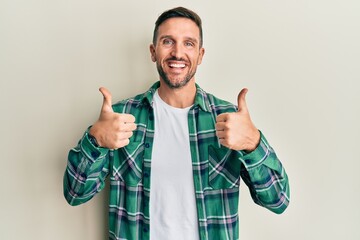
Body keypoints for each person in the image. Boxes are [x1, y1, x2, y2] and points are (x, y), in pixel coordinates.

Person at [63, 6, 290, 240]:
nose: (178, 53)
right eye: (168, 42)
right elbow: (75, 193)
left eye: (189, 43)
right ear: (153, 51)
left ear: (200, 55)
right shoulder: (120, 117)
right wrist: (95, 140)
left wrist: (253, 143)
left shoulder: (229, 120)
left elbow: (278, 200)